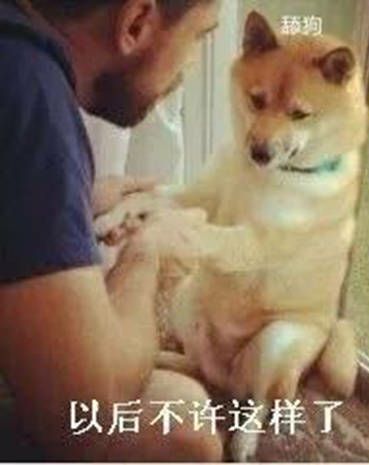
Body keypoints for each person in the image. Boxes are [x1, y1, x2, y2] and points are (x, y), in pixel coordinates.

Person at [0, 0, 223, 461]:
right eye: (198, 37)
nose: (190, 67)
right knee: (183, 421)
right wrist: (147, 251)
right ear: (136, 22)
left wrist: (72, 202)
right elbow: (84, 410)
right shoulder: (28, 91)